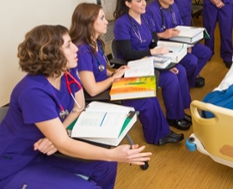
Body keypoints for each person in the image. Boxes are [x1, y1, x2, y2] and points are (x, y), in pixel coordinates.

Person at [0, 25, 151, 188]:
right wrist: (111, 153)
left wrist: (56, 136)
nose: (75, 49)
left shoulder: (66, 73)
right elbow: (64, 145)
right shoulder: (33, 92)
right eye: (68, 45)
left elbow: (79, 106)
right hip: (14, 164)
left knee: (106, 166)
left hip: (42, 152)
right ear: (50, 55)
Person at [69, 3, 184, 145]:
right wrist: (113, 78)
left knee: (149, 89)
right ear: (88, 22)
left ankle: (162, 132)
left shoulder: (95, 42)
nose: (107, 22)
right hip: (100, 95)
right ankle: (157, 136)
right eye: (102, 18)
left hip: (108, 84)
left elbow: (100, 69)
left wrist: (114, 72)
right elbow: (92, 90)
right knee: (145, 99)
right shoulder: (82, 51)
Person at [113, 0, 192, 131]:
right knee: (170, 78)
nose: (144, 4)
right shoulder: (121, 24)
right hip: (133, 66)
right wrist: (153, 52)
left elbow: (154, 41)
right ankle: (174, 117)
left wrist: (166, 63)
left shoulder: (147, 18)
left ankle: (178, 113)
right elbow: (128, 54)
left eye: (144, 0)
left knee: (179, 70)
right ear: (128, 3)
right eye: (139, 0)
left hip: (150, 61)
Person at [146, 0, 212, 88]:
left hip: (180, 41)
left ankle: (187, 78)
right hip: (164, 46)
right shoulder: (151, 10)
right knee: (192, 61)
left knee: (206, 52)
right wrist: (163, 34)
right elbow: (149, 36)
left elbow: (180, 26)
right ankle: (187, 81)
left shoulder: (173, 5)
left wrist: (187, 44)